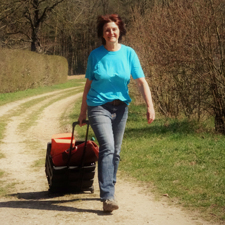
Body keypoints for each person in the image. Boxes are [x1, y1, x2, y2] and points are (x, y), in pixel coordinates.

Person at [78, 14, 155, 212]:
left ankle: (109, 186)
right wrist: (82, 111)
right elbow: (88, 85)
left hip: (120, 107)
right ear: (102, 35)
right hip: (98, 106)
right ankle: (108, 196)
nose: (111, 32)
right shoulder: (95, 55)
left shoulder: (129, 53)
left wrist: (150, 105)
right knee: (108, 146)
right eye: (107, 30)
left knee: (116, 151)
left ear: (119, 31)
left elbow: (140, 81)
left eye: (114, 29)